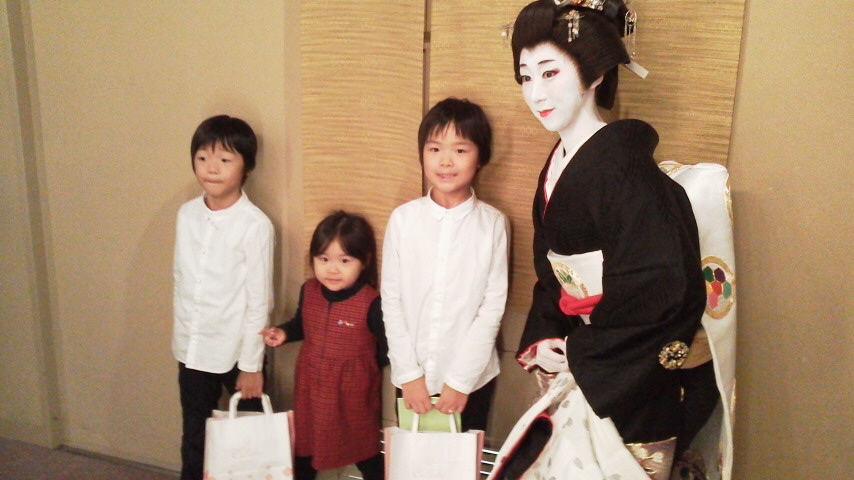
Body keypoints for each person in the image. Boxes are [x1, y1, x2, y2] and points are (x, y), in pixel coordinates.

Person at [491, 0, 719, 477]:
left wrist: (581, 354)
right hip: (584, 356)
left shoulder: (629, 173)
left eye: (550, 73)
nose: (535, 93)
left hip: (628, 379)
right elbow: (553, 275)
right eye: (526, 77)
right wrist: (548, 337)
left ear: (594, 74)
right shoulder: (558, 166)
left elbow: (662, 294)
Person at [381, 97, 510, 432]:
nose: (446, 161)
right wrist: (409, 375)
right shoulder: (403, 220)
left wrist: (460, 381)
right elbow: (392, 301)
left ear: (480, 157)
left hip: (472, 381)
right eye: (435, 149)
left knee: (464, 458)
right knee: (412, 457)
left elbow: (492, 308)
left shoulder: (493, 224)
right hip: (412, 378)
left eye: (460, 150)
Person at [172, 114, 274, 480]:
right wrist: (184, 340)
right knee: (194, 438)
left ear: (247, 166)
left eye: (225, 159)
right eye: (202, 158)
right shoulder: (186, 215)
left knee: (248, 445)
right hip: (192, 348)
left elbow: (259, 301)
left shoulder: (255, 225)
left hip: (236, 351)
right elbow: (181, 280)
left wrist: (251, 365)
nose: (211, 168)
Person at [261, 211, 387, 480]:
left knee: (364, 450)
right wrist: (283, 333)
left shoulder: (371, 302)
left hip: (353, 394)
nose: (332, 269)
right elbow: (302, 323)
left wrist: (363, 369)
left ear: (364, 261)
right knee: (306, 448)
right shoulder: (309, 290)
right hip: (311, 388)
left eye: (345, 260)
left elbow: (387, 349)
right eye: (324, 259)